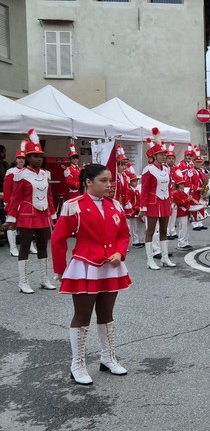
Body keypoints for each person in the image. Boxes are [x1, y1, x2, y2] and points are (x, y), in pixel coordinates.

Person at [51, 163, 131, 386]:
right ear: (88, 182)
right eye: (103, 181)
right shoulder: (72, 206)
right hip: (85, 265)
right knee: (82, 315)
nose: (109, 185)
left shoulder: (115, 205)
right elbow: (58, 239)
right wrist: (60, 269)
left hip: (111, 265)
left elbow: (124, 234)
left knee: (107, 313)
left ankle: (108, 358)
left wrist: (119, 252)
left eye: (110, 180)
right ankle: (77, 364)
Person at [2, 130, 57, 294]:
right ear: (28, 158)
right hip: (26, 215)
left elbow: (49, 197)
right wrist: (11, 219)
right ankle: (23, 281)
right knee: (25, 246)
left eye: (40, 156)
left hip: (43, 214)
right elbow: (15, 198)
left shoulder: (45, 174)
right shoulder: (20, 175)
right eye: (35, 156)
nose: (39, 159)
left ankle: (44, 279)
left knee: (43, 247)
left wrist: (53, 216)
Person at [140, 128, 176, 270]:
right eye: (160, 155)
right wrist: (143, 207)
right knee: (150, 231)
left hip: (165, 202)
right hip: (153, 203)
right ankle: (150, 260)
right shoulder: (148, 170)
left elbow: (168, 186)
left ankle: (165, 257)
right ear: (154, 156)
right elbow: (144, 190)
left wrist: (170, 200)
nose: (163, 157)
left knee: (164, 230)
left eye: (164, 154)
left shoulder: (166, 169)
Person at [3, 140, 27, 257]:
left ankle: (27, 245)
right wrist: (7, 202)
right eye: (19, 158)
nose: (21, 160)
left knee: (25, 224)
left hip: (25, 202)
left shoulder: (27, 171)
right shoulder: (11, 171)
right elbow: (7, 188)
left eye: (23, 158)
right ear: (16, 159)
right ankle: (13, 247)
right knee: (12, 224)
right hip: (13, 202)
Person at [171, 178, 195, 251]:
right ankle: (181, 243)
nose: (182, 185)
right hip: (181, 212)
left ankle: (185, 242)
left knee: (186, 228)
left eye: (183, 184)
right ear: (177, 185)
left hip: (186, 211)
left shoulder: (183, 192)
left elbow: (186, 201)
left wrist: (191, 201)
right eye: (181, 184)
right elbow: (179, 203)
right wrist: (187, 200)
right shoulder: (175, 193)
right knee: (182, 228)